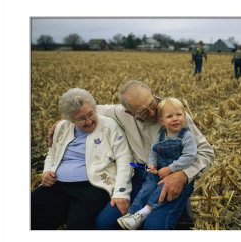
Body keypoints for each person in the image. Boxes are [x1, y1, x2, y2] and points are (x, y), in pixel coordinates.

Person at [47, 80, 215, 230]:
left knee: (154, 227)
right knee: (104, 223)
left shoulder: (174, 116)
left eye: (152, 104)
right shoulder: (120, 113)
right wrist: (63, 122)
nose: (152, 113)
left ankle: (179, 208)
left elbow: (206, 152)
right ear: (130, 113)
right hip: (142, 177)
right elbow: (88, 110)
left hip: (173, 175)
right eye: (144, 112)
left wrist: (183, 175)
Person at [32, 88, 133, 230]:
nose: (89, 121)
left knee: (79, 226)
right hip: (57, 184)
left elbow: (124, 159)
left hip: (94, 186)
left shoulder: (109, 126)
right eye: (81, 119)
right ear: (70, 119)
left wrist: (121, 192)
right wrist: (47, 171)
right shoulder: (62, 127)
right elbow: (52, 154)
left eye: (91, 114)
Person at [117, 98, 197, 229]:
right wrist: (152, 164)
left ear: (185, 116)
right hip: (159, 171)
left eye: (179, 115)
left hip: (176, 173)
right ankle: (131, 214)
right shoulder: (160, 135)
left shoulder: (186, 135)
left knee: (160, 191)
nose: (175, 119)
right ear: (162, 121)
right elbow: (153, 152)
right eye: (170, 116)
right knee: (147, 189)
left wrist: (171, 169)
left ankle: (145, 212)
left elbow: (189, 156)